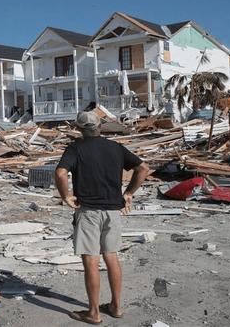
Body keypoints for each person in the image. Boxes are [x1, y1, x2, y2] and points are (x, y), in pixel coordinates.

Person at [55, 111, 149, 325]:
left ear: (78, 128)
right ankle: (116, 307)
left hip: (88, 212)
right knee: (111, 257)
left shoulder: (76, 148)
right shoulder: (115, 148)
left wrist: (65, 196)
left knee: (91, 261)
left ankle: (94, 313)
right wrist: (129, 192)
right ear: (100, 126)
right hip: (112, 212)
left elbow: (61, 173)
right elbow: (143, 168)